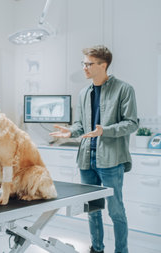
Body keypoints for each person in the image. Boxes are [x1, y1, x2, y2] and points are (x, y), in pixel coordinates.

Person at [50, 45, 138, 253]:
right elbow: (82, 125)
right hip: (87, 159)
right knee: (92, 209)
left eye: (89, 64)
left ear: (103, 65)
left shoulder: (124, 89)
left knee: (116, 211)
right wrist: (71, 132)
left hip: (111, 160)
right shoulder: (84, 93)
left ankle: (121, 250)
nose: (85, 68)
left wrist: (104, 130)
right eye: (84, 63)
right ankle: (97, 249)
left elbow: (132, 123)